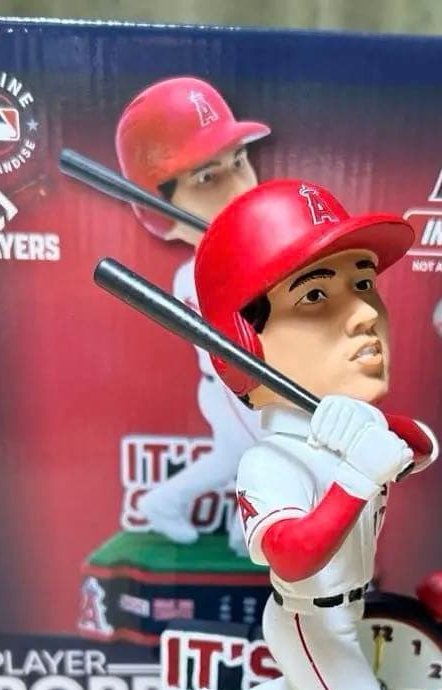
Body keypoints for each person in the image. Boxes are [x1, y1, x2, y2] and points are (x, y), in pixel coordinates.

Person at [176, 179, 438, 690]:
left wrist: (377, 433)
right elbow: (291, 557)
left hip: (344, 613)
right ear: (242, 345)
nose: (366, 315)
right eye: (316, 296)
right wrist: (356, 475)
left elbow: (418, 446)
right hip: (304, 616)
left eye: (364, 284)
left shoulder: (345, 429)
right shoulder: (271, 460)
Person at [116, 77, 270, 553]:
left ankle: (166, 503)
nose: (239, 187)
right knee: (268, 456)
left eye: (239, 161)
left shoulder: (250, 251)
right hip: (233, 390)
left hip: (243, 391)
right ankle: (246, 535)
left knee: (235, 460)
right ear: (160, 210)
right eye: (207, 178)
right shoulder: (197, 274)